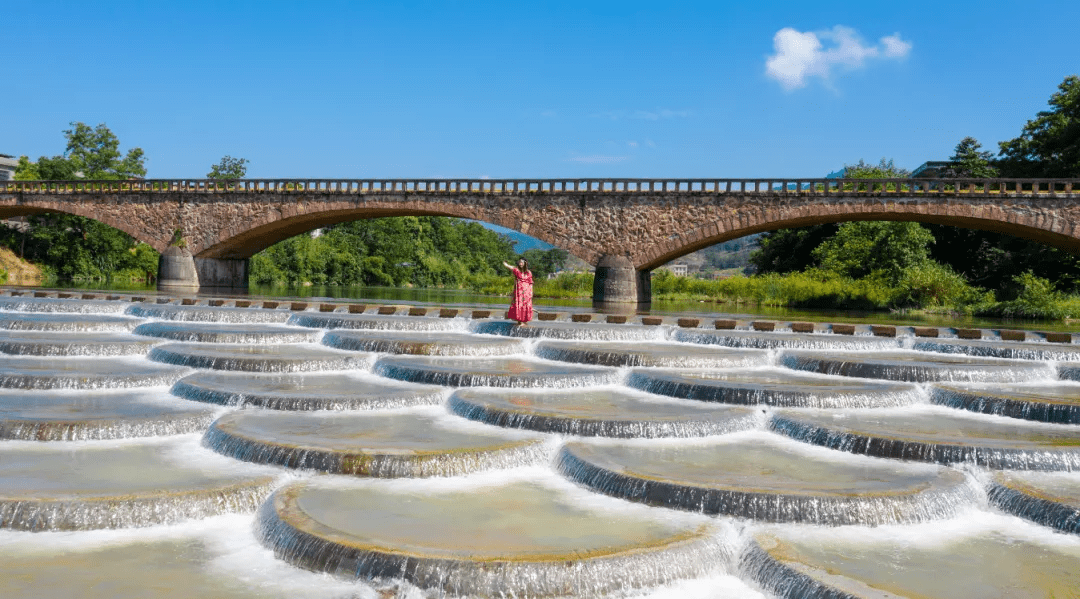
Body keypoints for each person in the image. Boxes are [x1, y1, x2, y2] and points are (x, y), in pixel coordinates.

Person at [502, 258, 533, 325]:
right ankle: (519, 321)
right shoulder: (517, 270)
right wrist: (505, 264)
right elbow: (510, 267)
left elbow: (530, 283)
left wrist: (531, 292)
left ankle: (525, 321)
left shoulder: (528, 272)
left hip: (527, 292)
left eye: (522, 262)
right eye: (519, 262)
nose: (520, 263)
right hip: (519, 292)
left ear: (525, 264)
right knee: (519, 305)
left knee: (526, 306)